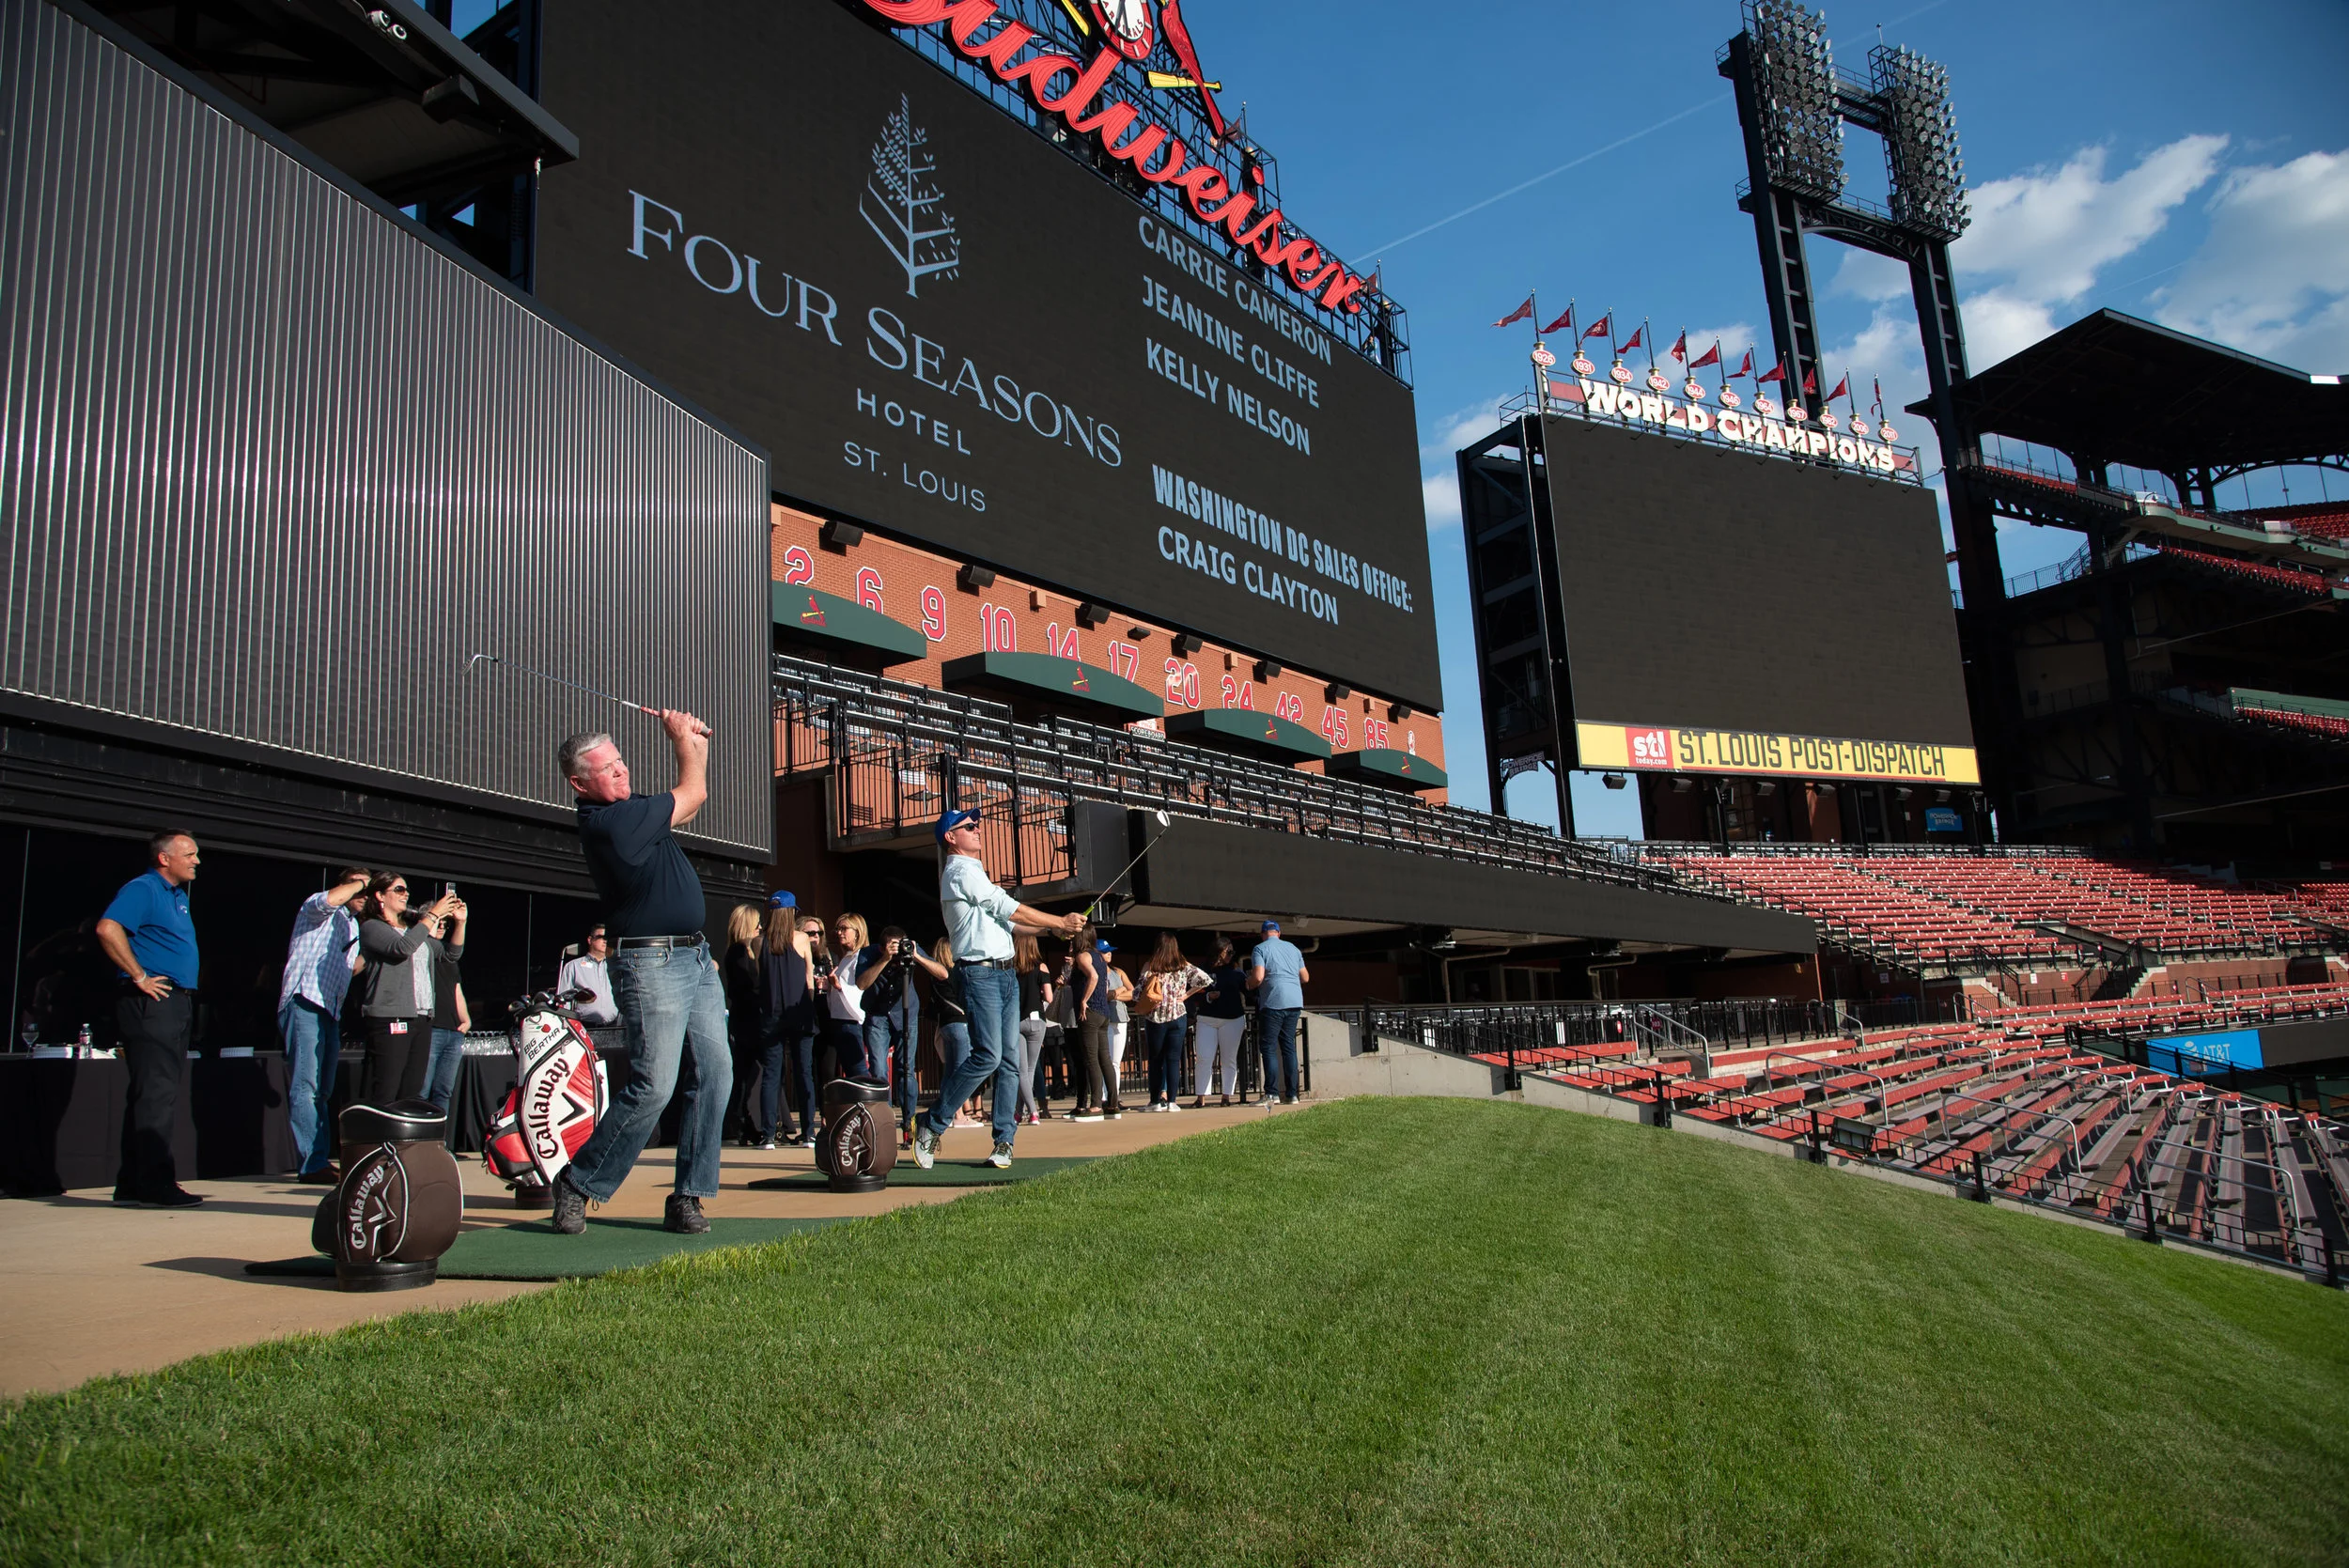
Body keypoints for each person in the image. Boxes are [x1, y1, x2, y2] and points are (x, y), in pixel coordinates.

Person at [550, 712, 729, 1238]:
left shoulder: (634, 810)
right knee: (655, 1086)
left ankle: (688, 1197)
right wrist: (683, 741)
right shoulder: (608, 824)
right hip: (650, 964)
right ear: (580, 784)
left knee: (717, 1074)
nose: (621, 773)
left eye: (621, 761)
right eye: (607, 769)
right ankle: (579, 1183)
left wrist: (695, 743)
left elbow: (691, 802)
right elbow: (692, 793)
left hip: (694, 960)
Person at [914, 807, 1083, 1171]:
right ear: (950, 837)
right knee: (989, 1056)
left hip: (1006, 975)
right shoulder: (958, 871)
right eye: (969, 826)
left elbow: (1009, 921)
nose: (978, 829)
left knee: (1009, 1061)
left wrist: (1053, 930)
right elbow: (1004, 905)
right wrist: (1056, 920)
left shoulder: (976, 873)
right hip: (979, 975)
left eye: (976, 825)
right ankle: (932, 1122)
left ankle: (1004, 1141)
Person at [93, 831, 204, 1206]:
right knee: (156, 1092)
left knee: (152, 1093)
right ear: (164, 858)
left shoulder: (176, 896)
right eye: (189, 854)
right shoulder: (144, 888)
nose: (196, 860)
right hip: (153, 1002)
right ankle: (156, 1183)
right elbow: (108, 928)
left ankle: (132, 1183)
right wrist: (139, 976)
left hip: (174, 1002)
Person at [275, 866, 370, 1181]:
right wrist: (358, 884)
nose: (364, 896)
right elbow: (329, 902)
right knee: (307, 1085)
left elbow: (349, 968)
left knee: (323, 1090)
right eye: (360, 889)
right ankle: (311, 1163)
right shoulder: (318, 908)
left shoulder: (352, 926)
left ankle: (319, 1157)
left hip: (330, 1010)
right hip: (305, 1001)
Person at [354, 874, 461, 1106]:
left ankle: (402, 1141)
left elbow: (450, 954)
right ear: (380, 895)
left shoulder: (412, 931)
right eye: (399, 889)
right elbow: (401, 948)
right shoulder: (373, 927)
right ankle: (379, 1139)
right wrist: (432, 916)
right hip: (391, 1016)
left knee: (412, 1090)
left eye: (406, 890)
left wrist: (460, 922)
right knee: (387, 1088)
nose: (406, 894)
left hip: (421, 1017)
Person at [854, 924, 927, 1140]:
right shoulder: (869, 954)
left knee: (906, 1069)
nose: (897, 950)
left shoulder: (911, 948)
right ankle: (883, 1124)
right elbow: (861, 984)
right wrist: (885, 959)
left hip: (906, 1013)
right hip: (877, 1015)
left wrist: (916, 956)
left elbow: (942, 973)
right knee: (878, 1070)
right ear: (881, 946)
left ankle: (909, 1122)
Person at [760, 899, 818, 1144]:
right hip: (799, 1012)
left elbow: (760, 976)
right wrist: (810, 1003)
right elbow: (809, 977)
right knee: (804, 1072)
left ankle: (768, 1135)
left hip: (771, 1014)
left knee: (771, 1075)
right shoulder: (801, 939)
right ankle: (808, 1133)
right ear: (791, 912)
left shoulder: (760, 941)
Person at [722, 903, 776, 1146]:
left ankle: (750, 1123)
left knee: (750, 1072)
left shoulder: (738, 951)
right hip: (749, 1019)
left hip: (746, 1018)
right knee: (751, 1073)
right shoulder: (740, 952)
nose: (761, 929)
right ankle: (749, 1124)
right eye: (757, 925)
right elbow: (749, 986)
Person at [1137, 933, 1211, 1112]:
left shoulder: (1151, 966)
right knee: (1173, 1059)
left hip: (1155, 1017)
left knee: (1155, 1060)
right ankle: (1172, 1101)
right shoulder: (1183, 965)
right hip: (1178, 1015)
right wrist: (1185, 995)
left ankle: (1155, 1101)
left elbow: (1137, 993)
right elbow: (1206, 979)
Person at [1248, 919, 1310, 1105]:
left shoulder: (1260, 949)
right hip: (1295, 1001)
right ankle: (1292, 1094)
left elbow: (1258, 977)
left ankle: (1271, 1093)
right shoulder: (1294, 949)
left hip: (1273, 1001)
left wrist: (1248, 983)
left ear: (1262, 934)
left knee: (1268, 1047)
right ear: (1279, 933)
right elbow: (1305, 977)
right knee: (1288, 1047)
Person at [420, 899, 473, 1113]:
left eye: (445, 924)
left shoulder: (448, 956)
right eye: (439, 922)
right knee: (421, 1090)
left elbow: (456, 989)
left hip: (453, 1031)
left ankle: (438, 1142)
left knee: (443, 1091)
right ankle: (418, 1143)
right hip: (430, 1028)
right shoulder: (419, 947)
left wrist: (466, 1019)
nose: (442, 927)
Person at [1190, 937, 1249, 1108]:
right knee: (1203, 1057)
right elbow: (1193, 991)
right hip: (1207, 1018)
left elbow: (1247, 989)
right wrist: (1207, 996)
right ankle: (1201, 1097)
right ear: (1218, 951)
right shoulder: (1204, 969)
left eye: (1232, 952)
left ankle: (1226, 1096)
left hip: (1232, 1019)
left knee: (1229, 1058)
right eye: (1228, 952)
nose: (1231, 955)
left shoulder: (1236, 970)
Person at [1068, 924, 1115, 1122]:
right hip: (1103, 1011)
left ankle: (1096, 1105)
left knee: (1091, 1059)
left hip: (1091, 1013)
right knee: (1104, 1058)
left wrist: (1083, 1001)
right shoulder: (1099, 956)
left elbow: (1093, 977)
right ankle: (1112, 1104)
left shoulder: (1083, 956)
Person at [824, 912, 871, 1079]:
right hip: (839, 1020)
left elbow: (860, 989)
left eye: (844, 929)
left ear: (857, 932)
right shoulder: (846, 958)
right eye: (838, 929)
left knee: (858, 1072)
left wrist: (838, 986)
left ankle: (870, 1104)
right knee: (850, 1072)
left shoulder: (862, 958)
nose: (839, 933)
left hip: (851, 1022)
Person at [1013, 932, 1050, 1125]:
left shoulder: (1012, 969)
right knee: (1028, 1069)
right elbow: (1049, 997)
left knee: (1022, 1070)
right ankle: (1033, 1111)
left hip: (1016, 1020)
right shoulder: (1041, 967)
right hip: (1037, 1020)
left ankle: (1019, 1112)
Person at [557, 924, 619, 1028]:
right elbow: (564, 1000)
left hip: (614, 1027)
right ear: (590, 940)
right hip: (583, 1027)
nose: (605, 941)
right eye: (601, 937)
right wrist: (565, 1025)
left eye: (607, 938)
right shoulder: (573, 966)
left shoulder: (615, 965)